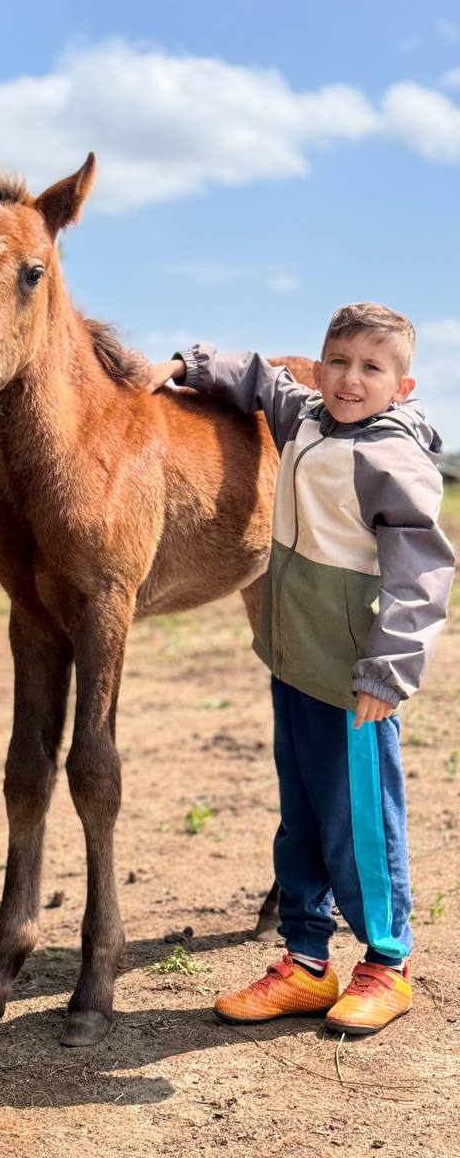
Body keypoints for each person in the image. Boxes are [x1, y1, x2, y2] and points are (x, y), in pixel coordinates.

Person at [147, 302, 454, 1036]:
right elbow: (255, 376)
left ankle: (387, 963)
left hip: (354, 681)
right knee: (303, 821)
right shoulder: (308, 418)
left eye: (371, 369)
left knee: (362, 827)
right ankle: (307, 963)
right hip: (293, 664)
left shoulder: (394, 460)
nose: (351, 380)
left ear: (402, 387)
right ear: (319, 370)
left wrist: (388, 672)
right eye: (338, 364)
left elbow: (422, 578)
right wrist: (185, 366)